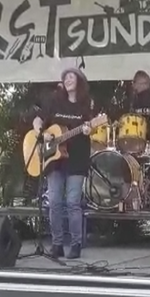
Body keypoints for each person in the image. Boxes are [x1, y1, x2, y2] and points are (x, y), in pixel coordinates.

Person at [32, 68, 92, 259]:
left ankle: (75, 245)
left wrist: (89, 129)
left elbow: (90, 125)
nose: (67, 79)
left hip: (77, 159)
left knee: (73, 202)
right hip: (54, 161)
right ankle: (57, 244)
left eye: (71, 76)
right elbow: (37, 119)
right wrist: (42, 132)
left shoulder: (85, 106)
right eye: (65, 77)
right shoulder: (55, 101)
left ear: (79, 81)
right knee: (55, 202)